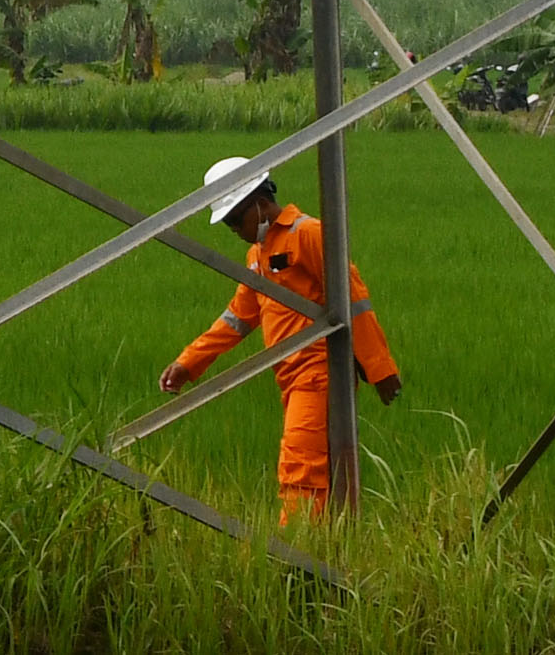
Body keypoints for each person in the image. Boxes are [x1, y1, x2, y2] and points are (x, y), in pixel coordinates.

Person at [154, 155, 400, 521]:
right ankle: (327, 546)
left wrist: (380, 370)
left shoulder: (308, 235)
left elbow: (355, 300)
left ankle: (296, 554)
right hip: (288, 375)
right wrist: (189, 363)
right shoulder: (258, 254)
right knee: (318, 467)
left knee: (300, 466)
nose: (235, 229)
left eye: (237, 219)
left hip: (317, 372)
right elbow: (237, 319)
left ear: (259, 202)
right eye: (229, 224)